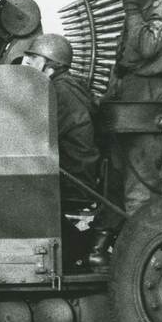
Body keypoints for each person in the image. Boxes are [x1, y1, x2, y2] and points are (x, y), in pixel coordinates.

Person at [91, 0, 162, 264]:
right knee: (114, 183)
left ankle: (147, 260)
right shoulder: (139, 6)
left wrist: (132, 9)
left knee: (140, 188)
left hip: (146, 106)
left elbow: (144, 48)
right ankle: (101, 249)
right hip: (125, 105)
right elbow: (124, 60)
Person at [22, 33, 99, 201]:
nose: (27, 61)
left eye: (34, 57)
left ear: (50, 63)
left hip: (73, 180)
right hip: (71, 173)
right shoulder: (61, 86)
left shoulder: (61, 91)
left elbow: (37, 136)